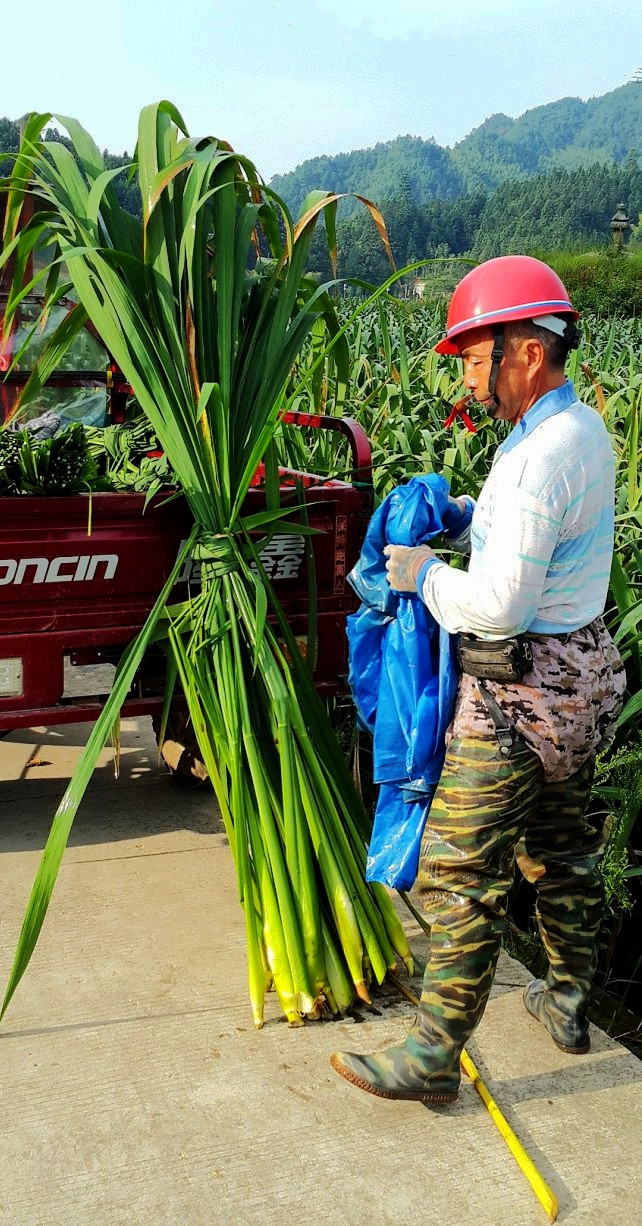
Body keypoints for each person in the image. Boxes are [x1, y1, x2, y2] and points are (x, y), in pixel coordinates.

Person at [331, 255, 626, 1104]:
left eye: (474, 353)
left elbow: (496, 606)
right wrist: (469, 517)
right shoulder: (576, 430)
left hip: (516, 696)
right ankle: (568, 1002)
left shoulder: (540, 457)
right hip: (578, 689)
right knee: (564, 852)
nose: (467, 372)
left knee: (463, 874)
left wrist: (421, 572)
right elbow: (541, 537)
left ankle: (431, 1058)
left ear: (526, 351)